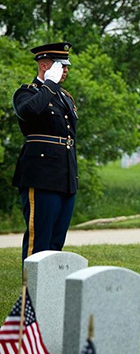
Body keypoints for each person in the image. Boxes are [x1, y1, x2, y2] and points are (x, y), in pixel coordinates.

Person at [12, 42, 78, 261]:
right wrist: (49, 83)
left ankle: (50, 294)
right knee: (38, 241)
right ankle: (28, 294)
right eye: (60, 65)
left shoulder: (65, 97)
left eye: (66, 66)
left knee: (56, 243)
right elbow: (29, 111)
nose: (65, 70)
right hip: (40, 175)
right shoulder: (26, 93)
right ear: (44, 65)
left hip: (64, 175)